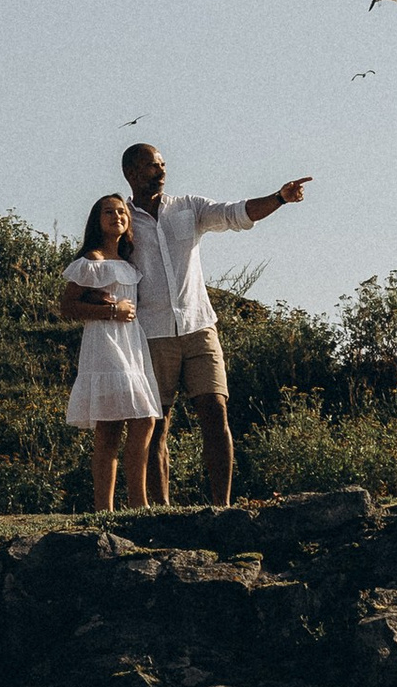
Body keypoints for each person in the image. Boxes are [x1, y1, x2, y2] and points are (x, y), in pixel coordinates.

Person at [75, 141, 310, 509]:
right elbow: (99, 266)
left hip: (199, 326)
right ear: (132, 173)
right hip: (151, 334)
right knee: (157, 423)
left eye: (163, 164)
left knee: (216, 410)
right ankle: (162, 508)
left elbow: (236, 214)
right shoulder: (122, 219)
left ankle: (223, 507)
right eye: (153, 166)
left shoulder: (188, 208)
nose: (162, 171)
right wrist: (105, 306)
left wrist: (278, 198)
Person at [58, 192, 159, 511]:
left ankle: (136, 501)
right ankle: (107, 508)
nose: (117, 216)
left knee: (143, 420)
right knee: (112, 425)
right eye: (108, 212)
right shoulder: (90, 263)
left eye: (121, 212)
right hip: (105, 344)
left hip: (131, 344)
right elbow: (67, 307)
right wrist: (111, 312)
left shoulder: (129, 265)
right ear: (97, 221)